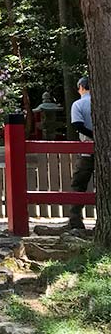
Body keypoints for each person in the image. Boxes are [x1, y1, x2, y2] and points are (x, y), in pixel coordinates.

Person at [69, 76, 93, 229]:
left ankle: (76, 221)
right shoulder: (104, 101)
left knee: (79, 184)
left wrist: (93, 136)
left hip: (87, 149)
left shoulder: (78, 104)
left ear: (82, 87)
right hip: (106, 150)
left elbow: (78, 125)